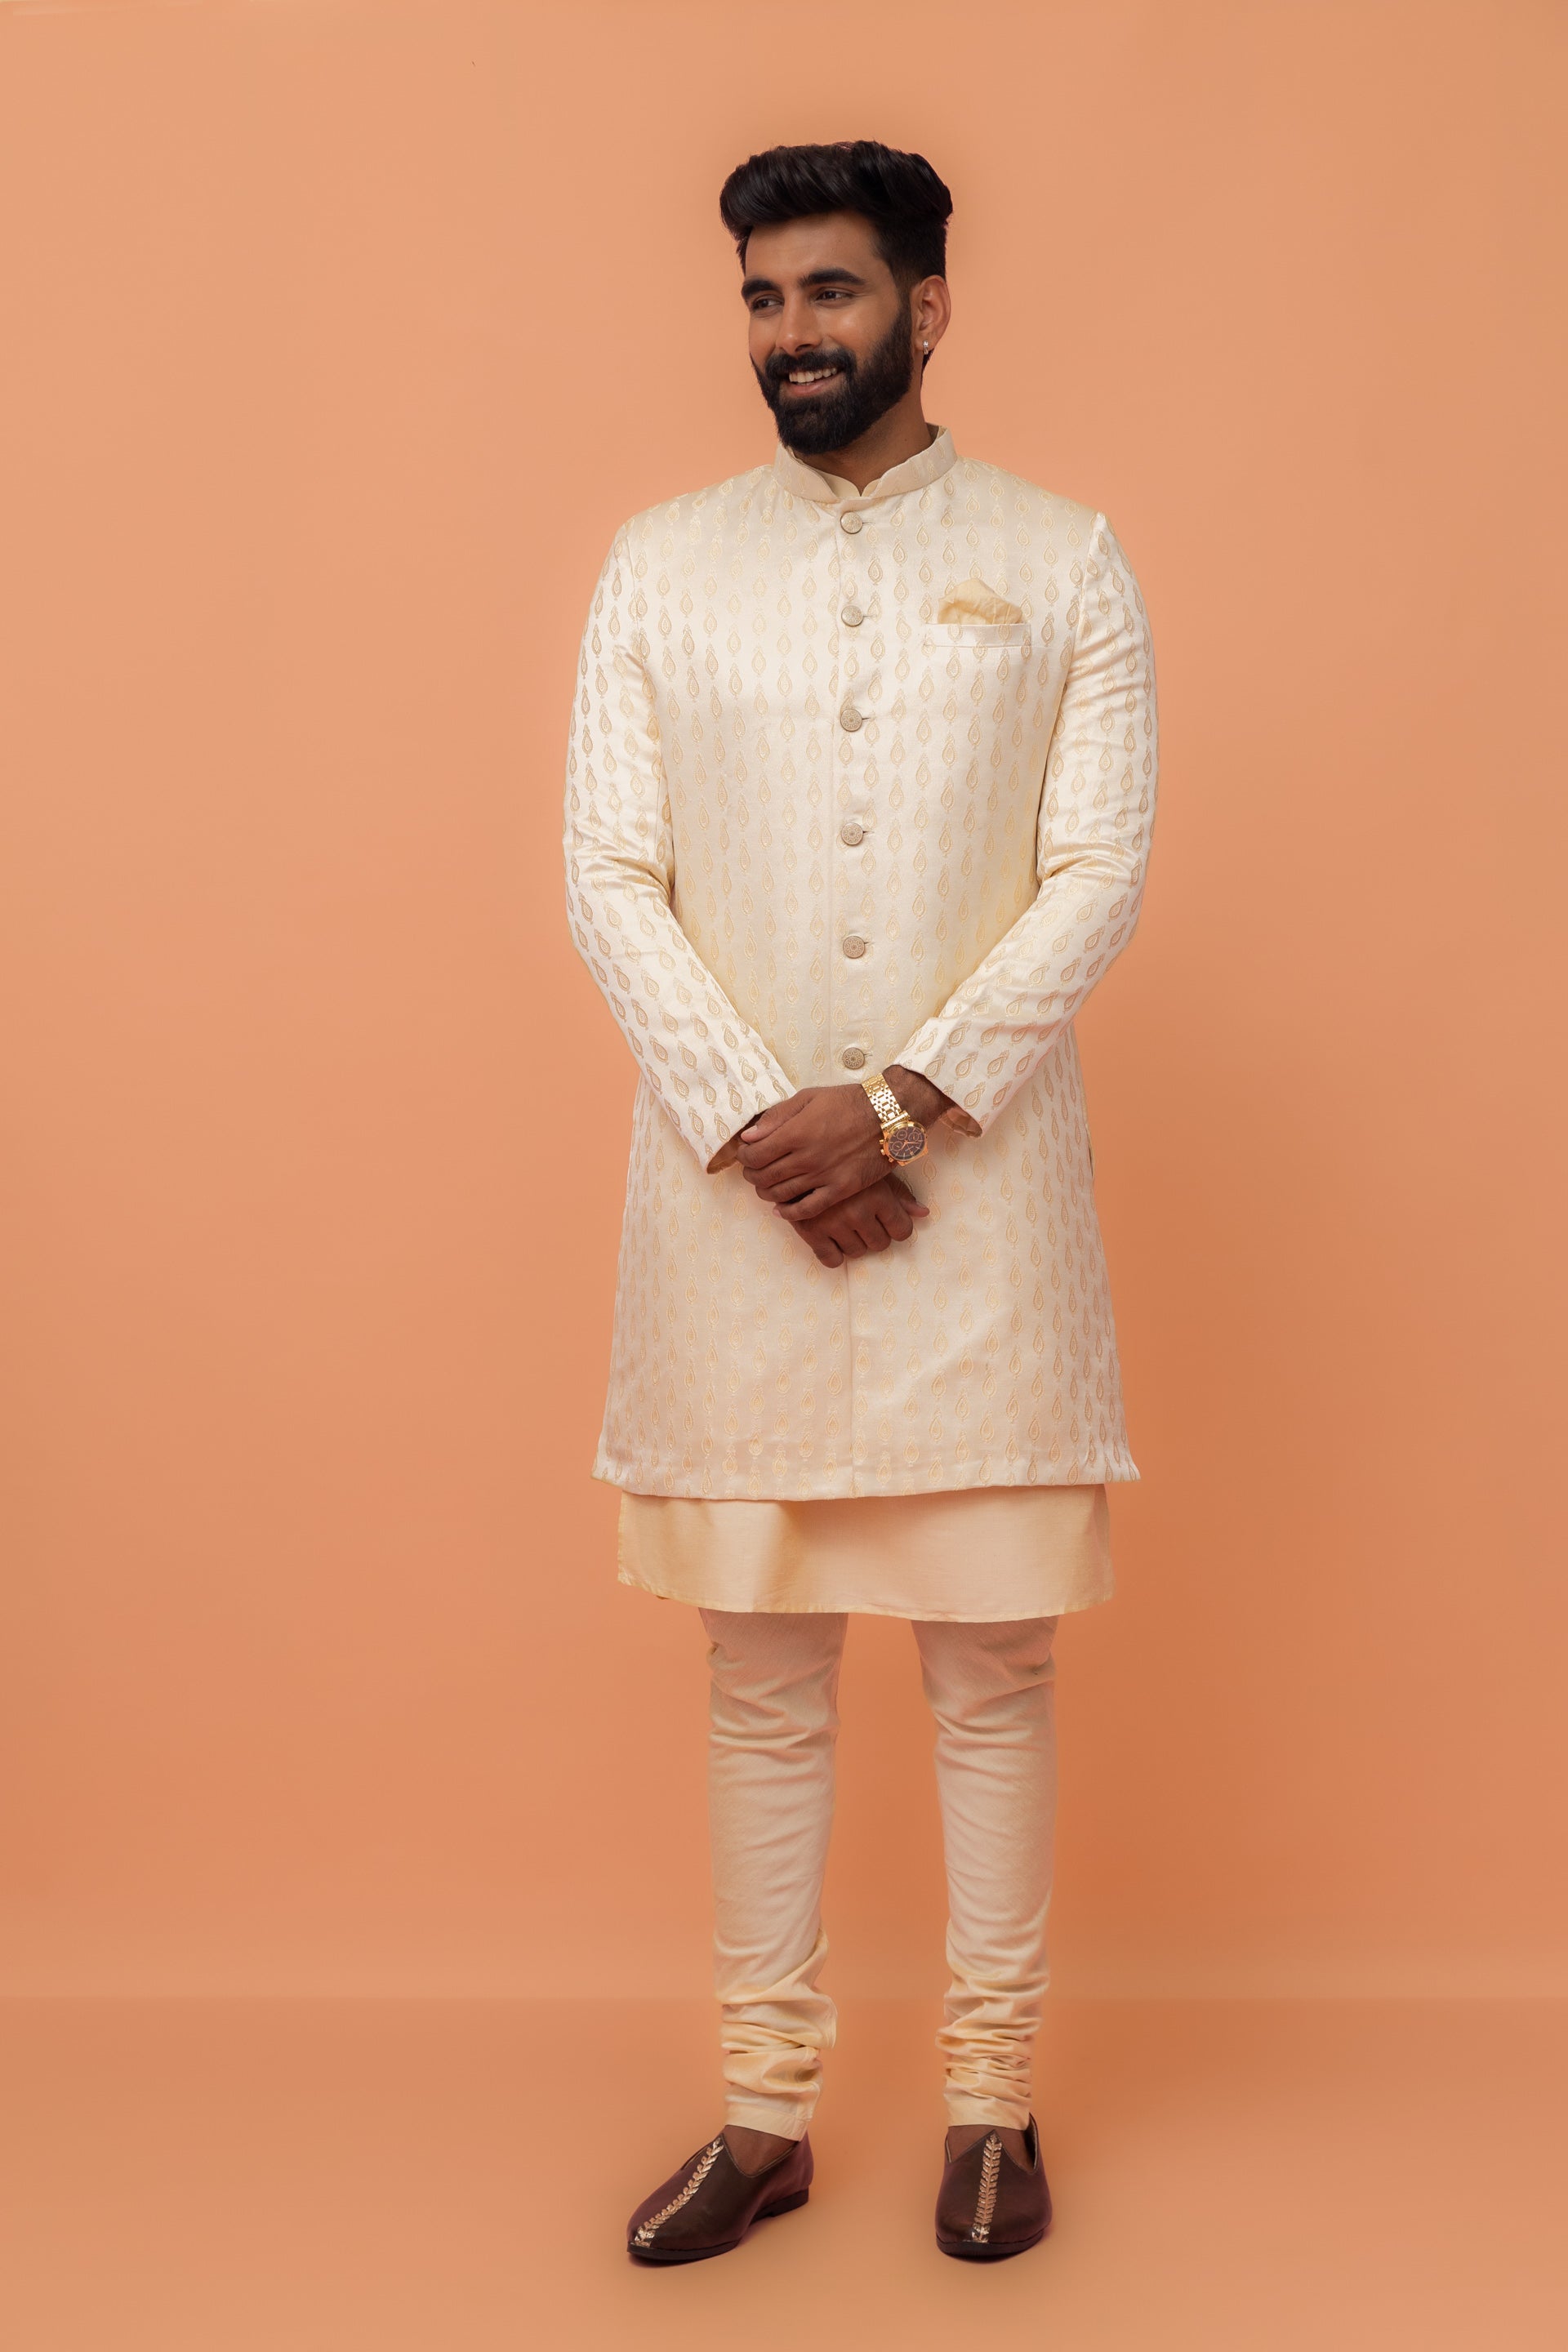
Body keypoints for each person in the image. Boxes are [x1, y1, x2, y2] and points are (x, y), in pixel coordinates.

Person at [564, 138, 1158, 2265]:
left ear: (926, 304)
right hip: (736, 1209)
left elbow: (1096, 870)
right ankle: (764, 2112)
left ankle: (993, 2104)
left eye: (830, 290)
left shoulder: (1064, 558)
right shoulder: (659, 565)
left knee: (992, 1668)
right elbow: (607, 873)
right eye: (762, 296)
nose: (792, 333)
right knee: (761, 1673)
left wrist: (901, 1105)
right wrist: (765, 1120)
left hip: (978, 1206)